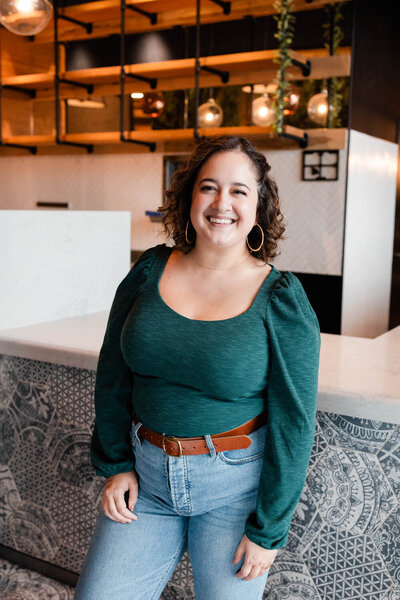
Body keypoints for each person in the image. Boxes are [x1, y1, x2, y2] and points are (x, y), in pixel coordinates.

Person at [74, 135, 321, 600]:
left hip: (235, 488)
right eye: (208, 187)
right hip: (143, 480)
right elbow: (112, 375)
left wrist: (268, 529)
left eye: (238, 191)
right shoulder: (148, 270)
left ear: (258, 205)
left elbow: (294, 422)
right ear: (189, 196)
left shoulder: (281, 297)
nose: (221, 202)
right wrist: (116, 463)